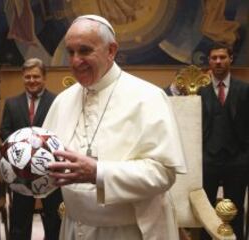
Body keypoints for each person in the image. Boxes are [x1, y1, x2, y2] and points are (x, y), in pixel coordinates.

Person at [43, 15, 187, 240]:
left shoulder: (147, 97)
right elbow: (48, 160)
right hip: (75, 228)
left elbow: (163, 173)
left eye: (84, 50)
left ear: (111, 50)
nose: (75, 61)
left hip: (130, 231)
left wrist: (98, 172)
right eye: (70, 52)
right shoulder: (63, 101)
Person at [0, 58, 62, 240]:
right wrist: (20, 147)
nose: (32, 80)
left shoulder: (57, 101)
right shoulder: (12, 103)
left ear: (44, 78)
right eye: (27, 77)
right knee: (20, 220)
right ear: (23, 78)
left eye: (36, 76)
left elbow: (61, 129)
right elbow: (4, 130)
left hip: (50, 172)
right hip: (20, 172)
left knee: (53, 219)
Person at [198, 43, 249, 240]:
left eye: (222, 57)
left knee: (235, 208)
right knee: (205, 210)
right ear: (209, 61)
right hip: (206, 160)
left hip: (237, 159)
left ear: (230, 59)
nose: (218, 61)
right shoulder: (198, 90)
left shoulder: (244, 89)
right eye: (214, 58)